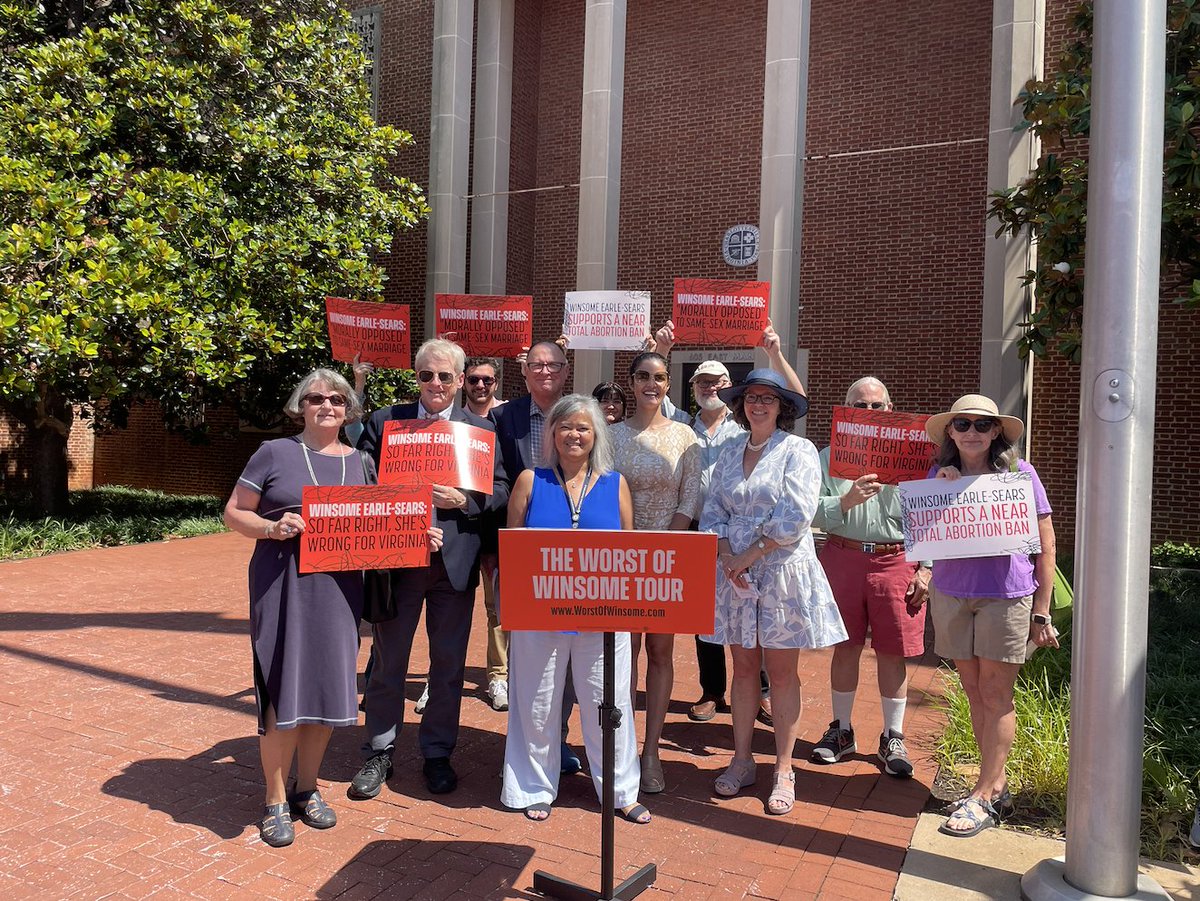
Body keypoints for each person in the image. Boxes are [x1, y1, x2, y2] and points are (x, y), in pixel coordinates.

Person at [224, 370, 394, 847]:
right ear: (301, 405)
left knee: (323, 691)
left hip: (340, 593)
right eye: (316, 398)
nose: (327, 406)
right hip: (283, 585)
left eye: (337, 399)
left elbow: (380, 524)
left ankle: (307, 788)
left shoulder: (362, 462)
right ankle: (275, 799)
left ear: (348, 408)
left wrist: (418, 534)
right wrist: (269, 529)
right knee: (282, 689)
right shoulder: (274, 452)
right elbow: (234, 511)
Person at [351, 338, 510, 799]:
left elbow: (500, 487)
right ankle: (379, 750)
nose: (435, 383)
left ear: (460, 380)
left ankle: (438, 752)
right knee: (388, 663)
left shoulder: (480, 429)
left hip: (454, 566)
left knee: (448, 665)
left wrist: (465, 500)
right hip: (399, 562)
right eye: (426, 375)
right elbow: (362, 481)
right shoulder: (387, 422)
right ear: (416, 377)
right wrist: (403, 517)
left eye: (444, 376)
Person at [700, 369, 846, 816]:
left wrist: (749, 554)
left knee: (781, 673)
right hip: (736, 576)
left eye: (768, 398)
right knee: (744, 668)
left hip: (781, 572)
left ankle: (784, 768)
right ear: (741, 404)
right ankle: (742, 759)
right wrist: (727, 555)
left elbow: (797, 515)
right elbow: (712, 509)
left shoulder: (798, 450)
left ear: (781, 406)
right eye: (751, 397)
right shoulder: (729, 451)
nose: (758, 404)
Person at [501, 395, 650, 824]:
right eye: (565, 427)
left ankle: (620, 790)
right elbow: (512, 549)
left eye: (583, 427)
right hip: (538, 615)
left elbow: (630, 553)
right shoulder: (530, 480)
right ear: (551, 434)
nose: (574, 435)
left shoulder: (615, 483)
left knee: (609, 703)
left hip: (604, 616)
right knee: (537, 702)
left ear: (596, 434)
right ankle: (533, 786)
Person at [924, 394, 1057, 838]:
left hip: (1006, 596)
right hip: (952, 594)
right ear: (951, 431)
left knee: (997, 693)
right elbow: (925, 536)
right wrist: (942, 490)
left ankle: (982, 795)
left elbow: (1046, 543)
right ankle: (995, 785)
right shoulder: (937, 477)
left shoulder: (1020, 474)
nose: (972, 432)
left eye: (983, 425)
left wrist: (1042, 611)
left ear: (997, 431)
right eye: (962, 424)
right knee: (973, 690)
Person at [810, 377, 931, 778]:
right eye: (860, 406)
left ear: (890, 409)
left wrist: (927, 567)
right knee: (844, 647)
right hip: (843, 555)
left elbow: (930, 515)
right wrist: (844, 501)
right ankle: (841, 730)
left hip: (896, 560)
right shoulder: (829, 457)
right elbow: (810, 510)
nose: (869, 413)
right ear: (847, 410)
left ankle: (893, 735)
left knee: (893, 651)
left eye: (877, 406)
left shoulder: (913, 458)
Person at [610, 352, 701, 794]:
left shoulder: (685, 435)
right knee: (624, 654)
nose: (651, 383)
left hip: (667, 558)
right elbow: (604, 492)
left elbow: (691, 497)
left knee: (661, 653)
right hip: (620, 559)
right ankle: (623, 748)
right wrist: (631, 548)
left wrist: (664, 546)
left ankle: (651, 751)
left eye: (659, 377)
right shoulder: (611, 435)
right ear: (631, 382)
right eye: (643, 376)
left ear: (668, 384)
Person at [493, 339, 583, 772]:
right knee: (528, 656)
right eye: (537, 365)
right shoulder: (502, 417)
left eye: (554, 365)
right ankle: (525, 745)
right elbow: (493, 478)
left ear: (566, 371)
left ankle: (557, 740)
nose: (545, 371)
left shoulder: (579, 414)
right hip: (523, 551)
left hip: (572, 557)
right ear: (524, 371)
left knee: (564, 658)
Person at [463, 356, 509, 712]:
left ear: (497, 382)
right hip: (458, 530)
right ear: (463, 381)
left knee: (498, 607)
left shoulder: (505, 419)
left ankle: (498, 676)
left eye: (487, 380)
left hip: (495, 525)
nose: (480, 385)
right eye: (474, 379)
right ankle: (437, 676)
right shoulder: (449, 420)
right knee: (448, 609)